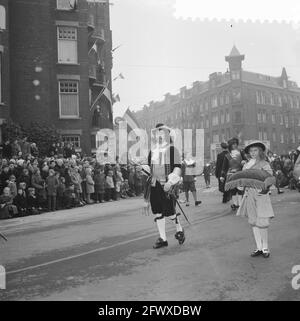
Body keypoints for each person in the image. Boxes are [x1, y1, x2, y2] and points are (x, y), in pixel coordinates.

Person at [144, 123, 185, 249]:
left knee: (170, 212)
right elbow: (149, 168)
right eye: (157, 134)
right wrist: (144, 169)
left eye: (162, 134)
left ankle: (179, 230)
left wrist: (171, 181)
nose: (159, 136)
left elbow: (178, 168)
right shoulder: (152, 151)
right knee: (157, 211)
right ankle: (163, 238)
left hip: (167, 185)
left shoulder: (173, 150)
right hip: (154, 185)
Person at [237, 141, 275, 258]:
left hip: (261, 195)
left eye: (255, 150)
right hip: (249, 194)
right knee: (253, 222)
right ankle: (259, 247)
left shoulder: (265, 164)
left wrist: (265, 188)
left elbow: (270, 179)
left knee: (262, 222)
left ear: (260, 151)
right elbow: (242, 179)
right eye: (251, 151)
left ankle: (265, 248)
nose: (253, 153)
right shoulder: (246, 165)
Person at [220, 138, 247, 211]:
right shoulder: (228, 155)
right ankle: (235, 204)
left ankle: (241, 204)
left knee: (240, 189)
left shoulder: (241, 152)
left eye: (235, 144)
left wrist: (244, 161)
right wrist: (222, 175)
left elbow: (246, 160)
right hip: (230, 174)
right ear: (230, 145)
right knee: (233, 190)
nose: (234, 145)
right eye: (233, 144)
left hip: (240, 173)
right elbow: (224, 166)